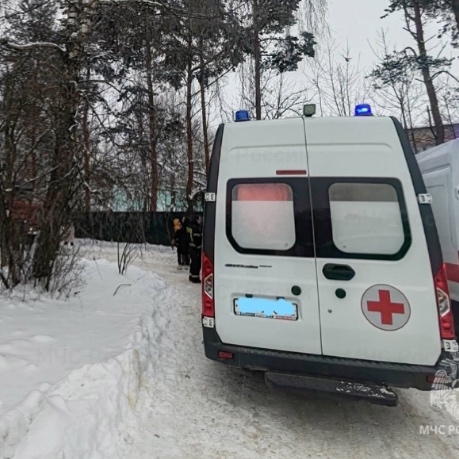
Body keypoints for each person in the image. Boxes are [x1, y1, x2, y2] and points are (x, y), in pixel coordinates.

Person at [187, 215, 202, 283]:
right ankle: (195, 278)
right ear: (197, 220)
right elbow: (197, 238)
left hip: (190, 247)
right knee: (196, 263)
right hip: (195, 248)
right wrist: (199, 246)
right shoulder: (196, 228)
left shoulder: (189, 227)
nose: (200, 221)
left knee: (193, 262)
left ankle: (191, 276)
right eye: (199, 219)